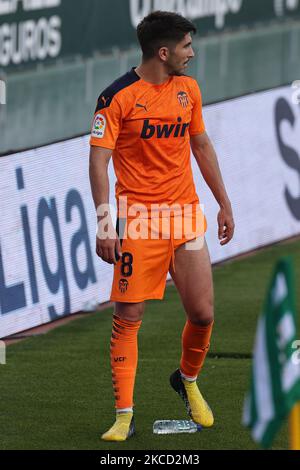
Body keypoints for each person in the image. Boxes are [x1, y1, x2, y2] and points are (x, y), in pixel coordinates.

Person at [89, 11, 235, 441]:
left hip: (186, 219)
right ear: (164, 51)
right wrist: (104, 222)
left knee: (203, 314)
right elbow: (98, 160)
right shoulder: (116, 97)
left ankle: (187, 381)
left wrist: (224, 202)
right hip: (137, 223)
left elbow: (201, 144)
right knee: (128, 317)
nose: (192, 53)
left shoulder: (189, 90)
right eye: (187, 46)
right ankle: (123, 416)